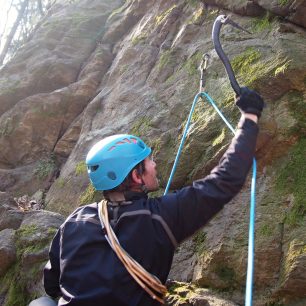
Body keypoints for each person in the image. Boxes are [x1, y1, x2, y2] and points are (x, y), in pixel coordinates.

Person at [31, 87, 264, 306]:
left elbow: (52, 283)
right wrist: (250, 117)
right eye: (149, 160)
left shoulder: (76, 219)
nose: (154, 164)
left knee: (41, 303)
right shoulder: (162, 217)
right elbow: (224, 180)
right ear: (136, 175)